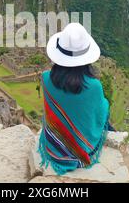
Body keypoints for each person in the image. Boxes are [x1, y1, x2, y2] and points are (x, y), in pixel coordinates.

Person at [38, 23, 112, 175]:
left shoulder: (46, 79)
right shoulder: (94, 86)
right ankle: (78, 148)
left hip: (53, 148)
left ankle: (61, 147)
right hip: (81, 153)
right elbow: (100, 112)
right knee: (104, 105)